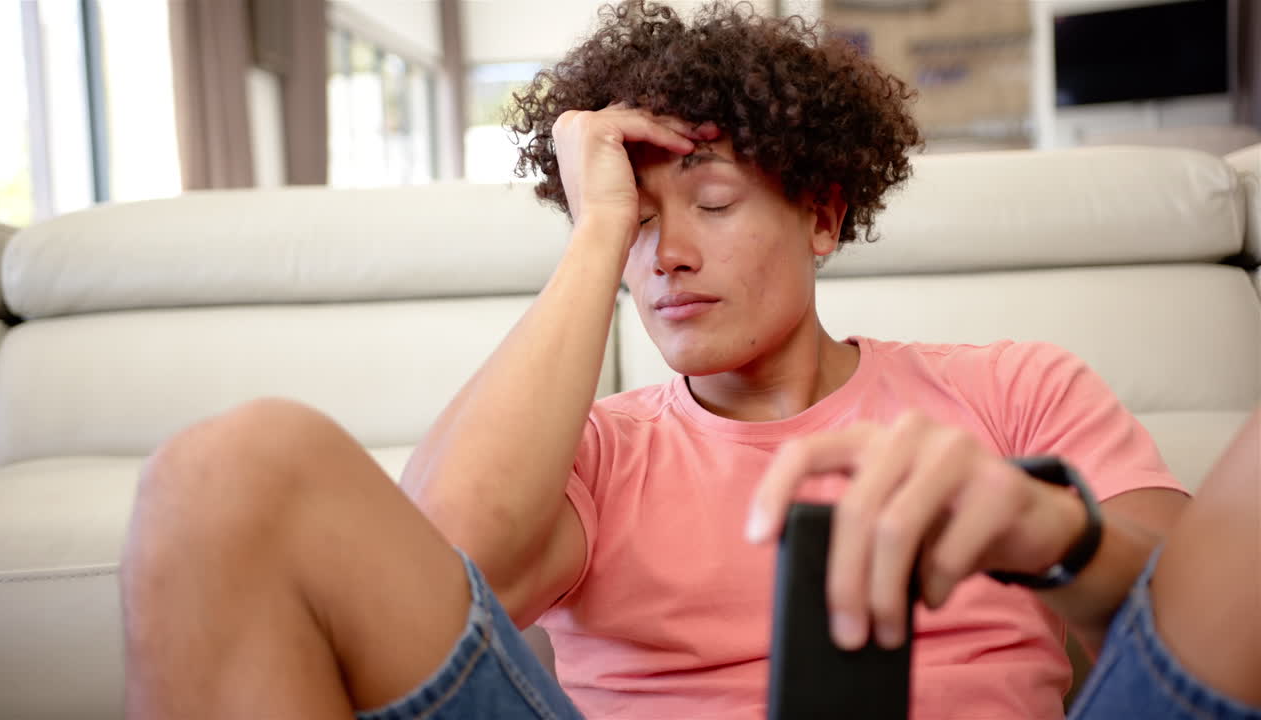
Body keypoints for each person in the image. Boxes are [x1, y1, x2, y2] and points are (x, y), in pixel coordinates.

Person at [119, 2, 1260, 718]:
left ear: (821, 215)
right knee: (222, 470)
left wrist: (1040, 528)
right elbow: (449, 561)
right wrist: (591, 229)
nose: (665, 256)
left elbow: (1202, 595)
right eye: (633, 221)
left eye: (709, 203)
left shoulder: (1010, 386)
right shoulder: (594, 451)